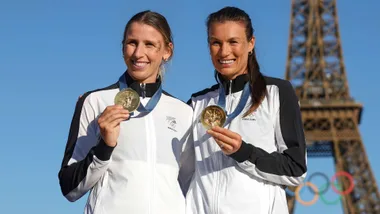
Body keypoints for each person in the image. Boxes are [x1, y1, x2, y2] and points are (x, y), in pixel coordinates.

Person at [58, 10, 194, 214]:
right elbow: (70, 189)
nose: (138, 53)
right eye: (132, 43)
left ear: (167, 51)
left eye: (149, 44)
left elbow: (191, 186)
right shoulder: (95, 101)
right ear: (122, 47)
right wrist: (105, 146)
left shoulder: (184, 112)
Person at [185, 6, 307, 214]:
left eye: (233, 42)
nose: (224, 52)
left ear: (251, 43)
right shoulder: (196, 103)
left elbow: (296, 169)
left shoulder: (277, 92)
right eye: (216, 43)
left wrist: (244, 152)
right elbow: (183, 172)